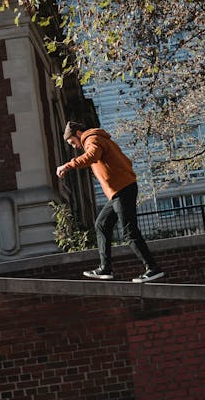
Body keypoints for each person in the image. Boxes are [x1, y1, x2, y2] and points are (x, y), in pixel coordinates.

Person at [56, 121, 165, 283]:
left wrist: (68, 165)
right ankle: (105, 268)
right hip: (119, 191)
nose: (74, 147)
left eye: (73, 142)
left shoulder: (91, 139)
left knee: (129, 232)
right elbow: (126, 160)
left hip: (122, 190)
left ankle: (152, 268)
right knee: (101, 224)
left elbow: (92, 156)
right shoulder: (99, 139)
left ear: (78, 134)